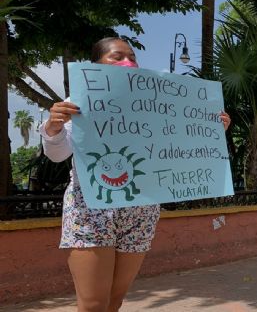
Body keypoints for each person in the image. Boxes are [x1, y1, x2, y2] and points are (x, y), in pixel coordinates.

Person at [40, 37, 231, 312]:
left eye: (131, 57)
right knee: (93, 304)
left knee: (115, 301)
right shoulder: (78, 102)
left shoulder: (155, 102)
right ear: (96, 65)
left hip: (141, 209)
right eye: (116, 57)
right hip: (91, 209)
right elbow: (57, 154)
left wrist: (211, 130)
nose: (127, 62)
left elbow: (176, 146)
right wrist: (54, 128)